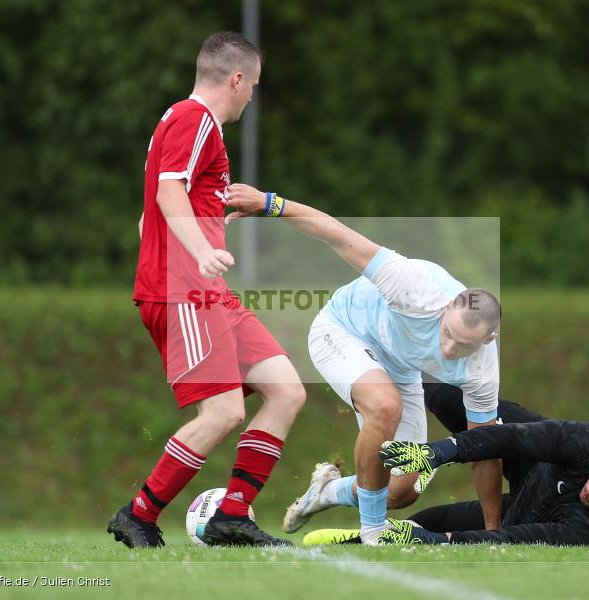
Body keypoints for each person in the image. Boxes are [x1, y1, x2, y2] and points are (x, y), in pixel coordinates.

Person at [107, 32, 305, 548]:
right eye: (253, 85)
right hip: (182, 293)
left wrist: (213, 226)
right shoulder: (195, 119)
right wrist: (197, 253)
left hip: (206, 290)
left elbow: (155, 214)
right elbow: (167, 190)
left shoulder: (192, 126)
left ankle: (231, 516)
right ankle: (138, 515)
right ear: (236, 79)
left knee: (286, 391)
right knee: (222, 413)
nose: (251, 96)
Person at [224, 185, 503, 544]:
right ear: (446, 306)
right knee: (385, 406)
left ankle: (326, 491)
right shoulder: (414, 285)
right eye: (446, 333)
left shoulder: (482, 369)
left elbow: (485, 450)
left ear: (487, 340)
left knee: (403, 490)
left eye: (463, 345)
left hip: (398, 367)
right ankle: (374, 533)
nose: (447, 349)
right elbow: (336, 235)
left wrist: (495, 532)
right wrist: (268, 203)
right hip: (342, 331)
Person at [375, 382, 589, 546]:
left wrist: (437, 540)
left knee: (427, 524)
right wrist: (436, 452)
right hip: (536, 462)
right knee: (449, 398)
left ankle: (366, 538)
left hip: (530, 512)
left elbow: (516, 536)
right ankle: (389, 363)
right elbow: (515, 438)